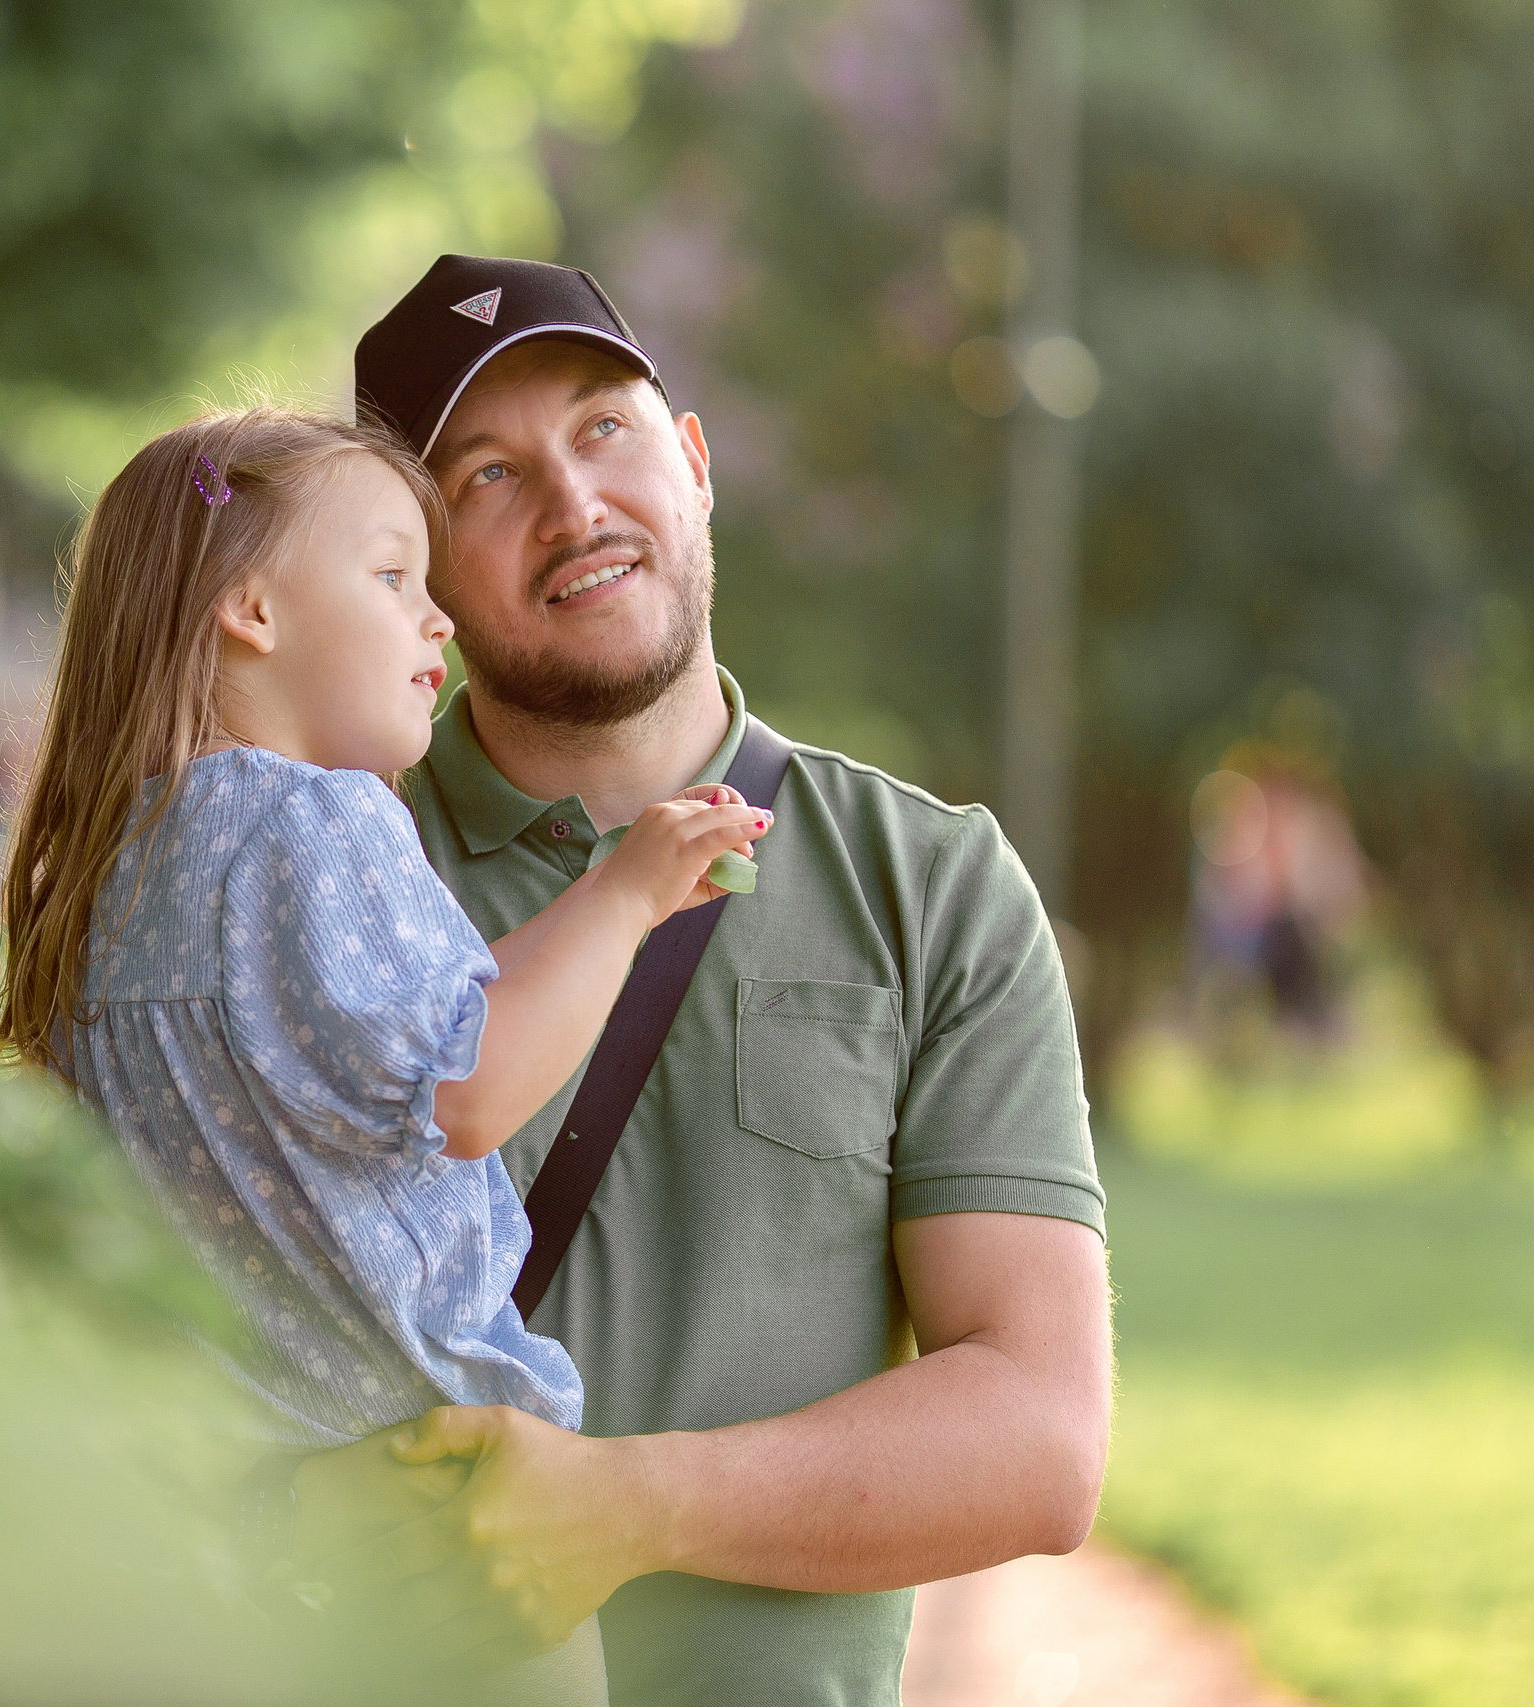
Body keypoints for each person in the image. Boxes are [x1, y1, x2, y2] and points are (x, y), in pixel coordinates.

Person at [282, 255, 1114, 1707]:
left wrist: (623, 1509)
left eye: (605, 429)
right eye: (483, 476)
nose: (572, 506)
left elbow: (1040, 1439)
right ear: (413, 574)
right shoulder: (303, 875)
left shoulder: (931, 885)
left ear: (696, 462)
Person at [0, 405, 770, 1704]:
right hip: (444, 1540)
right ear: (252, 612)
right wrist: (628, 894)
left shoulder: (119, 867)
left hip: (237, 1536)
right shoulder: (320, 821)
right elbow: (464, 1087)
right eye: (395, 576)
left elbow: (417, 1035)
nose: (440, 619)